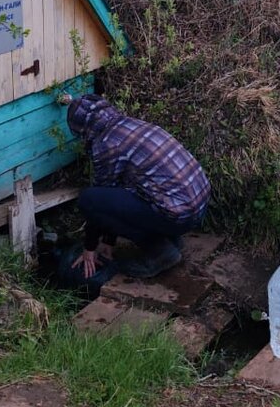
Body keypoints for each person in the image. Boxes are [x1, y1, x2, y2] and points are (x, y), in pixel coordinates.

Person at [65, 93, 210, 280]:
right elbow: (116, 193)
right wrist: (109, 240)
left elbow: (99, 201)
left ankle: (161, 253)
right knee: (137, 197)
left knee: (88, 198)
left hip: (179, 215)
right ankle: (171, 240)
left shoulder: (106, 144)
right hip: (199, 203)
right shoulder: (130, 124)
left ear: (82, 129)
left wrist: (90, 247)